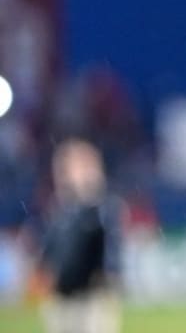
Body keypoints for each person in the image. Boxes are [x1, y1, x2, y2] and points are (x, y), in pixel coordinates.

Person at [37, 137, 123, 333]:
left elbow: (109, 248)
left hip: (91, 296)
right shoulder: (59, 210)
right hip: (62, 295)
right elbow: (50, 250)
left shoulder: (99, 208)